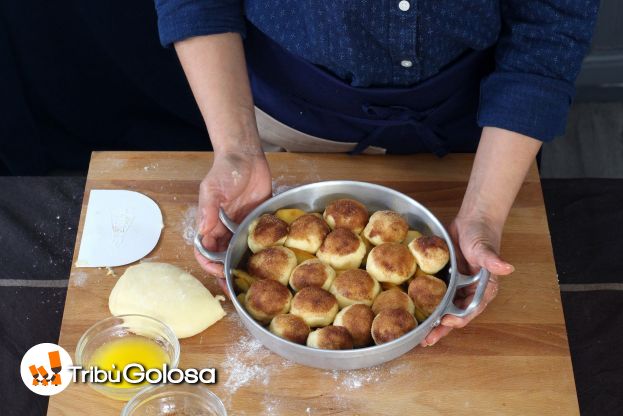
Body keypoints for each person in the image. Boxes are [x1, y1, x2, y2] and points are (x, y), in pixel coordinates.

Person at [154, 1, 599, 346]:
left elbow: (550, 27)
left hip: (482, 132)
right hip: (290, 116)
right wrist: (237, 151)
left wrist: (484, 210)